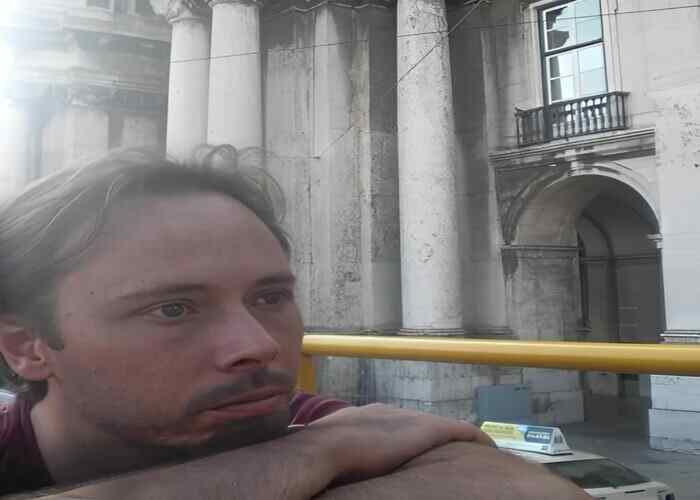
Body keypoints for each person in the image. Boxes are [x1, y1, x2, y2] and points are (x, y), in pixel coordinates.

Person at [0, 146, 591, 499]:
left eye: (270, 297)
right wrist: (305, 459)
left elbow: (530, 490)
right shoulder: (336, 441)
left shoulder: (313, 422)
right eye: (172, 309)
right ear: (27, 346)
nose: (257, 346)